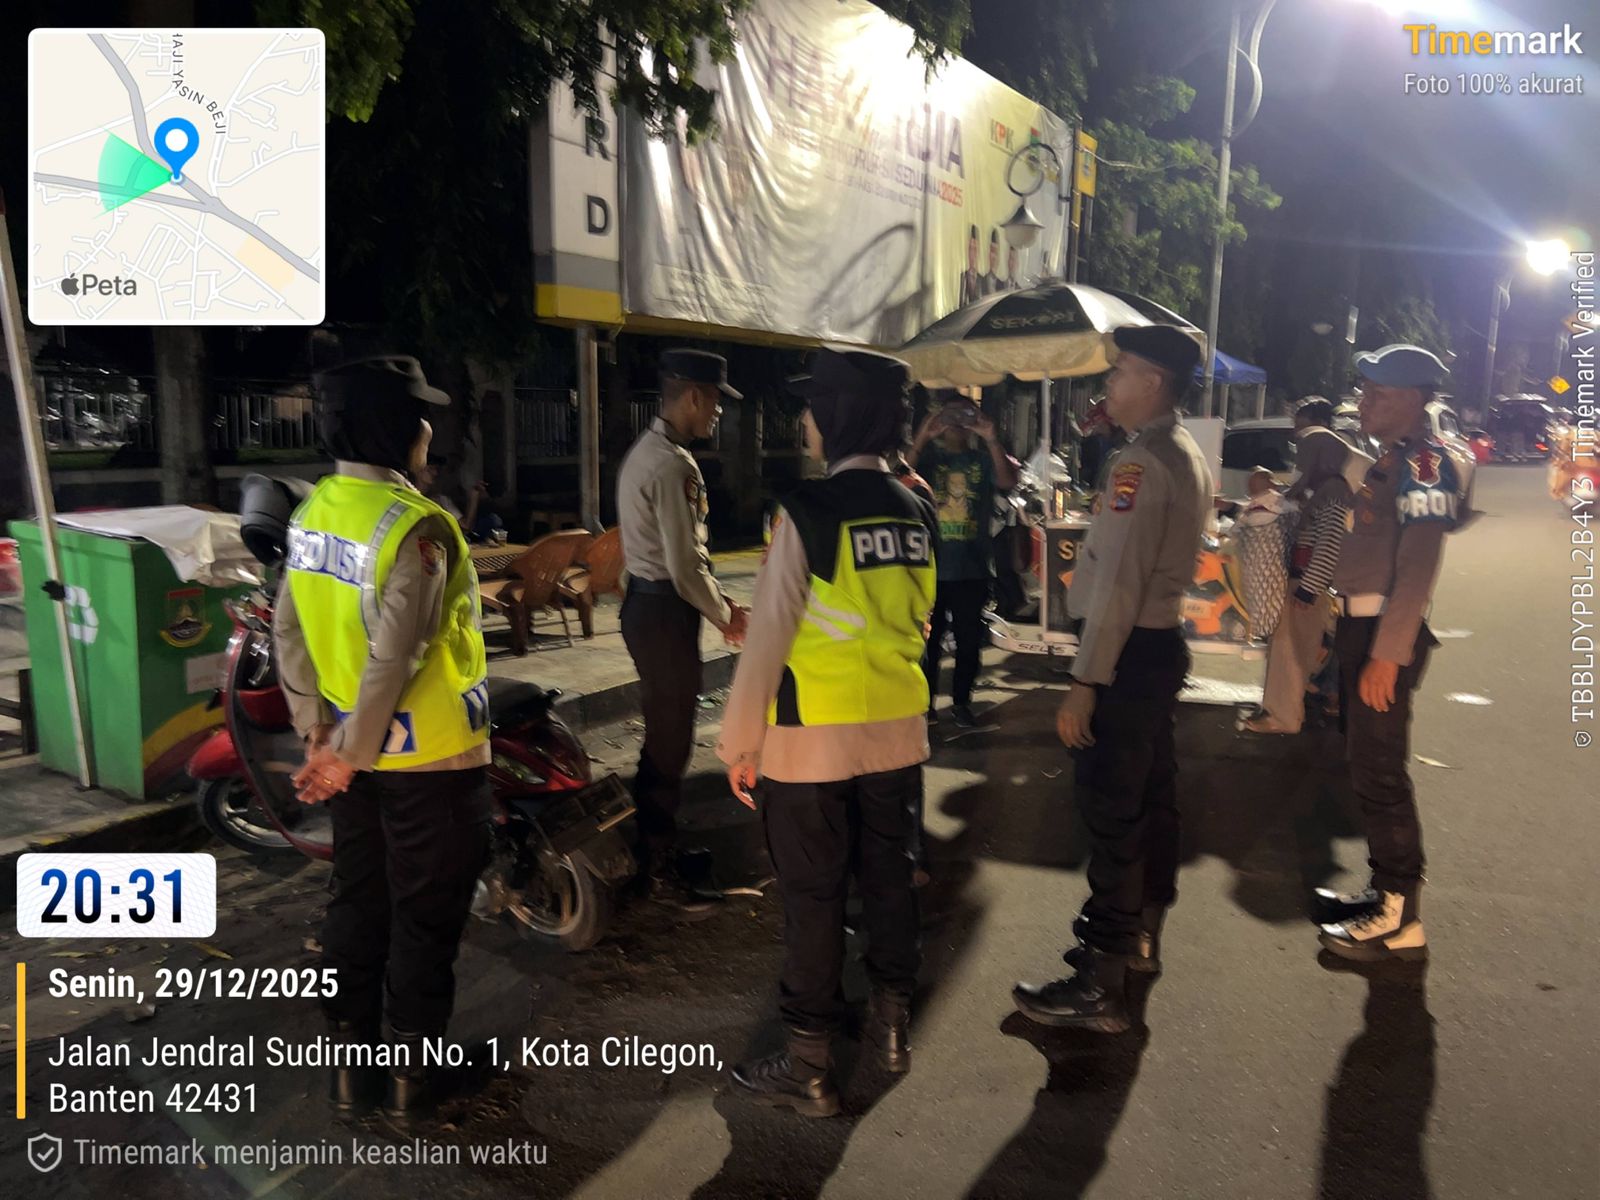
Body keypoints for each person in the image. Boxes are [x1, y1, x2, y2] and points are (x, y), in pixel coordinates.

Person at [716, 347, 937, 1117]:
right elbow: (921, 620)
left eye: (814, 408)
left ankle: (809, 1067)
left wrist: (740, 746)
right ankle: (891, 1028)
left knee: (813, 899)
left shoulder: (806, 512)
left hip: (812, 740)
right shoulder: (916, 511)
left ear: (837, 418)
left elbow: (769, 639)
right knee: (889, 881)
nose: (806, 420)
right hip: (897, 734)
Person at [273, 355, 493, 1118]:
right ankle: (410, 1079)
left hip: (347, 751)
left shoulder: (312, 513)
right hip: (432, 756)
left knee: (358, 900)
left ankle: (350, 1070)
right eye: (421, 417)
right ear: (396, 428)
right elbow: (396, 656)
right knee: (424, 914)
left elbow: (289, 630)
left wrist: (319, 736)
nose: (430, 430)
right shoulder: (415, 525)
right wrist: (347, 755)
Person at [1012, 325, 1209, 1033]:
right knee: (1151, 800)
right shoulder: (1180, 450)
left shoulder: (1141, 464)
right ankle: (1137, 938)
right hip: (1155, 649)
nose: (1109, 384)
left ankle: (1101, 980)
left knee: (1113, 813)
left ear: (1152, 382)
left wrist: (1085, 681)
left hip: (1126, 657)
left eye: (1120, 371)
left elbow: (1119, 585)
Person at [1314, 344, 1464, 963]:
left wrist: (1387, 655)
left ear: (1412, 399)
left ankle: (1400, 917)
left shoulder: (1426, 465)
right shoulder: (1391, 458)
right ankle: (1385, 893)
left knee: (1381, 774)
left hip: (1383, 636)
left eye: (1377, 392)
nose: (1364, 401)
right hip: (1360, 628)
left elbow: (1417, 568)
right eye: (1365, 389)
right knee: (1365, 768)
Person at [616, 348, 749, 913]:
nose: (718, 411)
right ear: (693, 395)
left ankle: (656, 848)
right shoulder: (673, 465)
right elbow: (685, 565)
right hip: (663, 613)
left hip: (649, 608)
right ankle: (656, 865)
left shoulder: (648, 453)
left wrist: (717, 602)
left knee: (665, 736)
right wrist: (726, 615)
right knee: (670, 742)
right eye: (715, 400)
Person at [911, 394, 1018, 726]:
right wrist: (922, 437)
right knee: (928, 641)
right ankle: (925, 704)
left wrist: (991, 437)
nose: (957, 423)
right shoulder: (929, 460)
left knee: (969, 640)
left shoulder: (983, 459)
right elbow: (901, 476)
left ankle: (961, 703)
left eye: (965, 416)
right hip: (932, 567)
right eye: (951, 416)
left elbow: (1007, 481)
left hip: (972, 567)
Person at [958, 225, 983, 308]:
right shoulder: (962, 277)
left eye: (975, 249)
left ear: (978, 252)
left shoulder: (982, 280)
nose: (972, 254)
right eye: (970, 249)